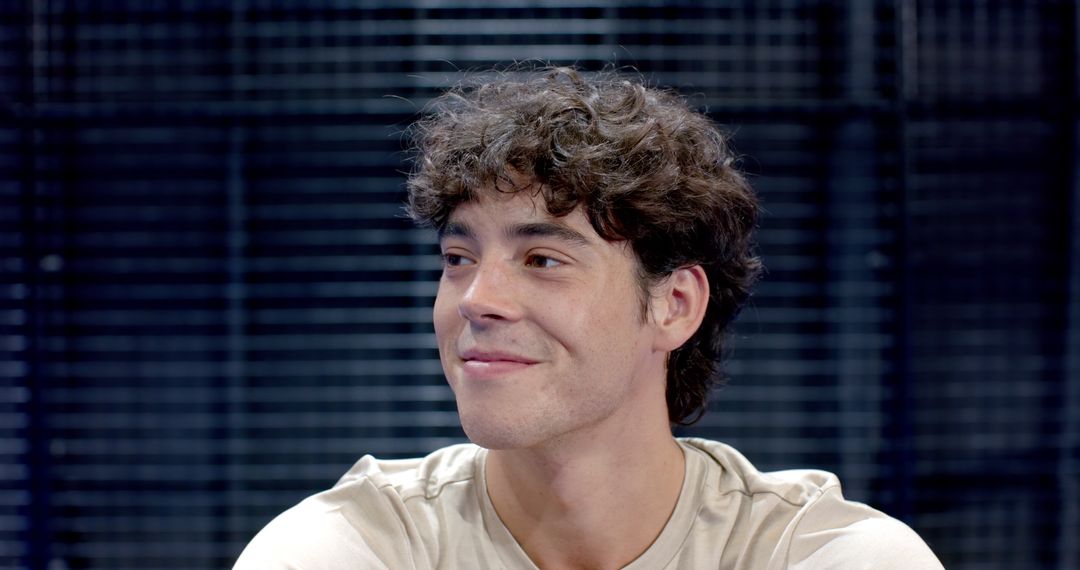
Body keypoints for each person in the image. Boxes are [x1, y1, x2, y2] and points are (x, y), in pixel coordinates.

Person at [234, 67, 943, 569]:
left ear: (674, 305)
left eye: (542, 259)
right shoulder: (350, 550)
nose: (477, 298)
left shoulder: (820, 556)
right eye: (458, 258)